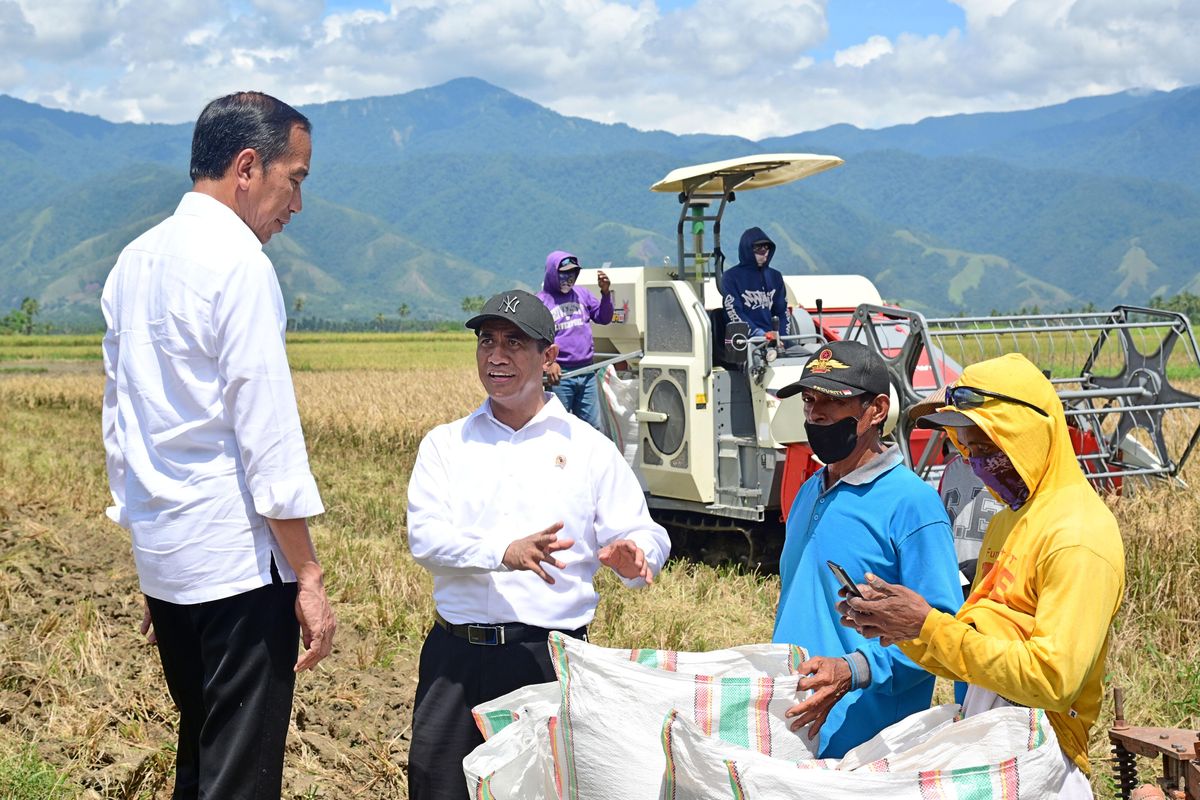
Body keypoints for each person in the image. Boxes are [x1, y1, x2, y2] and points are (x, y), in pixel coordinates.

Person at [101, 92, 335, 800]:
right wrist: (309, 575)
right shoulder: (238, 264)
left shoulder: (134, 261)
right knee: (239, 778)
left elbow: (123, 429)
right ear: (246, 167)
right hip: (237, 567)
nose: (296, 203)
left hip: (171, 565)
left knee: (201, 760)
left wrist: (154, 554)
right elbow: (268, 435)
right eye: (293, 178)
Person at [406, 288, 670, 800]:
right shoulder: (445, 444)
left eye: (514, 343)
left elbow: (645, 532)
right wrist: (503, 553)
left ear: (548, 356)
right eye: (486, 341)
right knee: (436, 787)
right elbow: (425, 539)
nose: (496, 356)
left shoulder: (588, 448)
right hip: (452, 660)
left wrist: (636, 556)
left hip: (544, 660)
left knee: (540, 790)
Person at [840, 353, 1125, 798]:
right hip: (994, 746)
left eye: (987, 448)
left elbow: (1053, 680)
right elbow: (975, 645)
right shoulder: (1008, 520)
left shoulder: (1077, 535)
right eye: (966, 448)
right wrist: (901, 628)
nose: (974, 464)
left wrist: (927, 625)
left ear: (1031, 433)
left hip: (1041, 761)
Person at [772, 340, 962, 757]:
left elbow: (943, 633)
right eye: (808, 401)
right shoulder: (809, 492)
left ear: (875, 410)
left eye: (832, 402)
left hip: (867, 747)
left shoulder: (912, 505)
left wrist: (853, 669)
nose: (815, 413)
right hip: (796, 730)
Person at [537, 250, 613, 429]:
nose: (568, 278)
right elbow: (534, 340)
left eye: (572, 273)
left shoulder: (582, 295)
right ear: (552, 274)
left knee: (593, 428)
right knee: (558, 427)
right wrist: (548, 364)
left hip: (587, 374)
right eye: (563, 273)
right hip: (560, 376)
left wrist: (606, 293)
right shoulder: (541, 302)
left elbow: (603, 317)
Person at [722, 226, 788, 341]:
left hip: (774, 340)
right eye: (759, 248)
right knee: (758, 358)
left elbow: (782, 312)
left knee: (807, 354)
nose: (765, 252)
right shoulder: (731, 277)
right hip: (747, 341)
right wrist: (759, 334)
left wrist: (782, 338)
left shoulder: (775, 276)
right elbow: (733, 311)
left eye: (767, 247)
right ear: (747, 249)